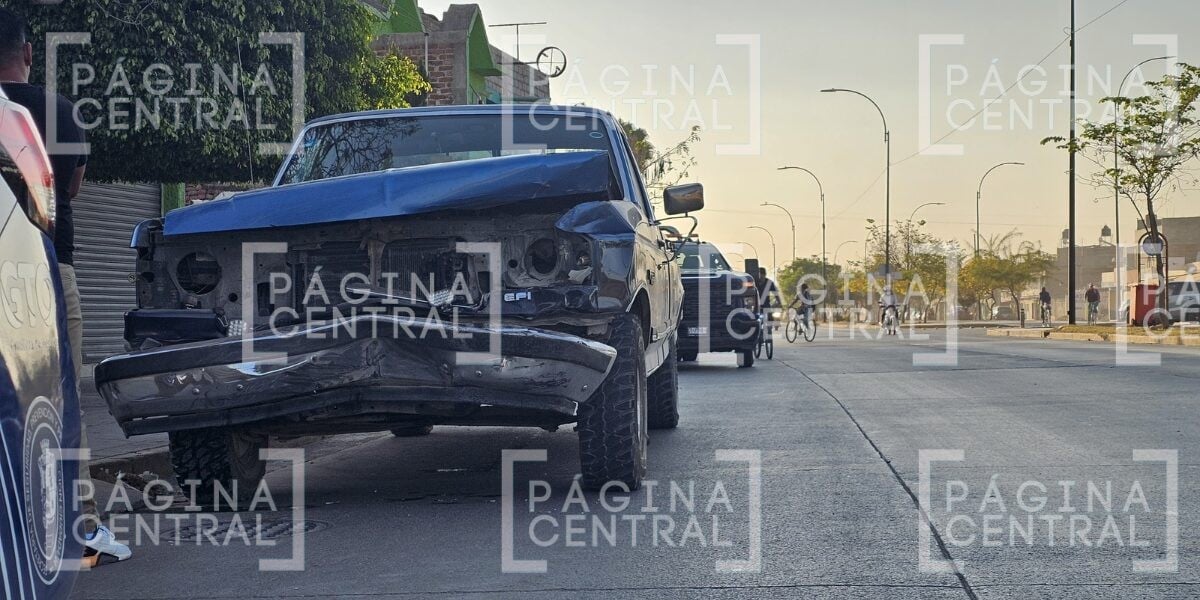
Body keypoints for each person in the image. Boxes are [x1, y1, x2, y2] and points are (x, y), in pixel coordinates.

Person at [0, 8, 130, 564]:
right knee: (59, 405)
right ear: (28, 53)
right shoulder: (58, 111)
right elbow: (70, 190)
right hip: (49, 272)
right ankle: (76, 535)